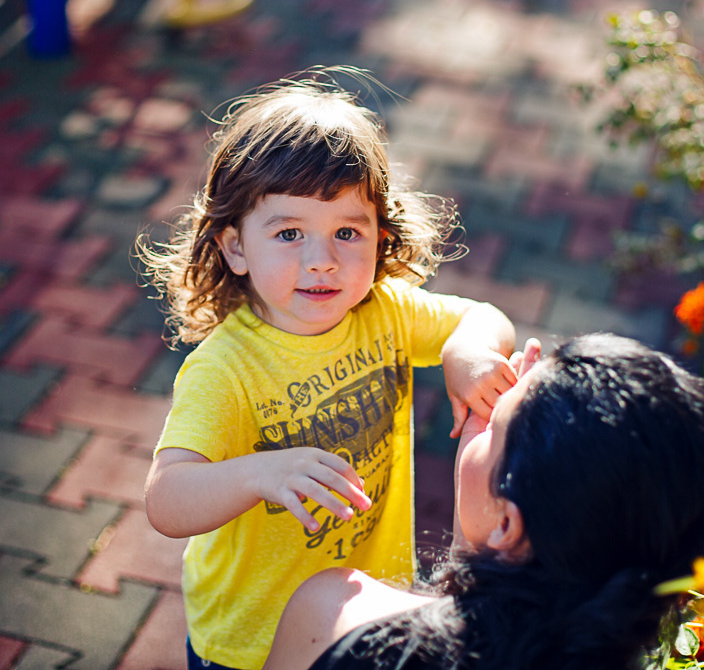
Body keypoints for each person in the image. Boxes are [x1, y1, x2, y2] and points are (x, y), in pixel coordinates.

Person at [140, 67, 517, 670]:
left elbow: (482, 316)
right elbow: (166, 501)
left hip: (362, 612)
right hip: (250, 640)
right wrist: (260, 474)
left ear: (380, 235)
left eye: (347, 231)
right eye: (289, 233)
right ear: (235, 246)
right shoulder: (226, 369)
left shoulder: (385, 310)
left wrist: (465, 353)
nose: (323, 261)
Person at [263, 333, 704, 670]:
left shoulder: (335, 613)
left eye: (494, 425)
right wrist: (479, 538)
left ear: (509, 525)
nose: (483, 419)